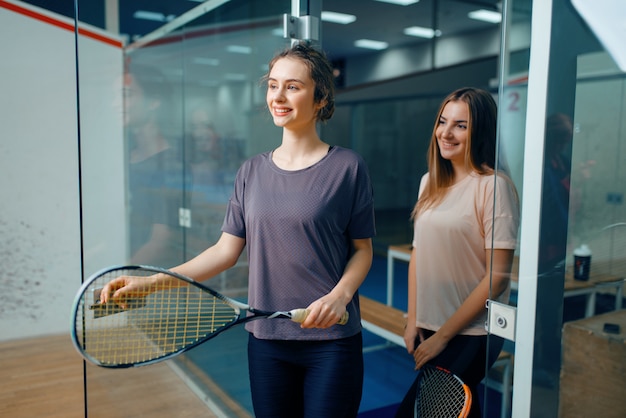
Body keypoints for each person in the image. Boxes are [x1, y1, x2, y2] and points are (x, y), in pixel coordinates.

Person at [102, 42, 376, 418]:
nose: (278, 96)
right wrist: (151, 282)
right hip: (266, 343)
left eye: (293, 86)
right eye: (272, 85)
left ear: (320, 97)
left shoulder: (348, 167)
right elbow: (224, 252)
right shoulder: (251, 172)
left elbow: (362, 249)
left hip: (331, 343)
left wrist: (340, 296)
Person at [395, 87, 520, 418]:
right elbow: (418, 255)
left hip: (473, 332)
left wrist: (442, 338)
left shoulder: (493, 187)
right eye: (443, 122)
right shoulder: (429, 182)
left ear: (480, 131)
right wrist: (413, 320)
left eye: (460, 125)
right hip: (430, 324)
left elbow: (497, 277)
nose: (446, 133)